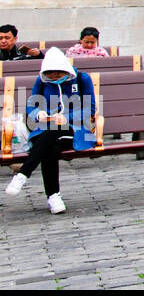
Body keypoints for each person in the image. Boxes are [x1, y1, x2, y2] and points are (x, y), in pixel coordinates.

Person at [5, 48, 96, 214]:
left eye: (58, 75)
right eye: (50, 75)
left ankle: (23, 174)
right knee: (51, 149)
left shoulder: (82, 79)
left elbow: (90, 109)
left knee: (56, 129)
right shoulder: (41, 81)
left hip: (75, 130)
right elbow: (31, 105)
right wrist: (38, 113)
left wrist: (67, 118)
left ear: (65, 70)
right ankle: (54, 197)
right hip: (48, 131)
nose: (54, 79)